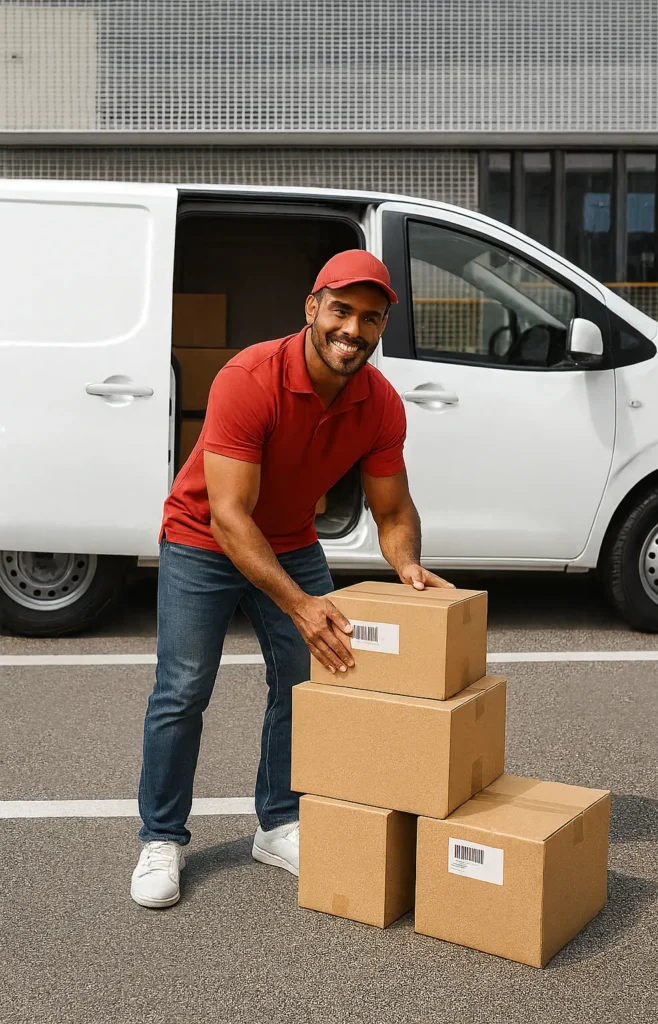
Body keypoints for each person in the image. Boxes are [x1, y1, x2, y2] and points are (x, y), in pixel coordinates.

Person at [130, 249, 454, 908]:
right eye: (340, 310)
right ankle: (160, 836)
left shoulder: (379, 403)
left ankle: (277, 821)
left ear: (382, 326)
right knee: (184, 688)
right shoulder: (249, 378)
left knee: (307, 680)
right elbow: (228, 515)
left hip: (290, 539)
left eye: (370, 318)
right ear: (312, 308)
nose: (352, 330)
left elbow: (392, 511)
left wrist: (408, 563)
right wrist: (301, 603)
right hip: (203, 538)